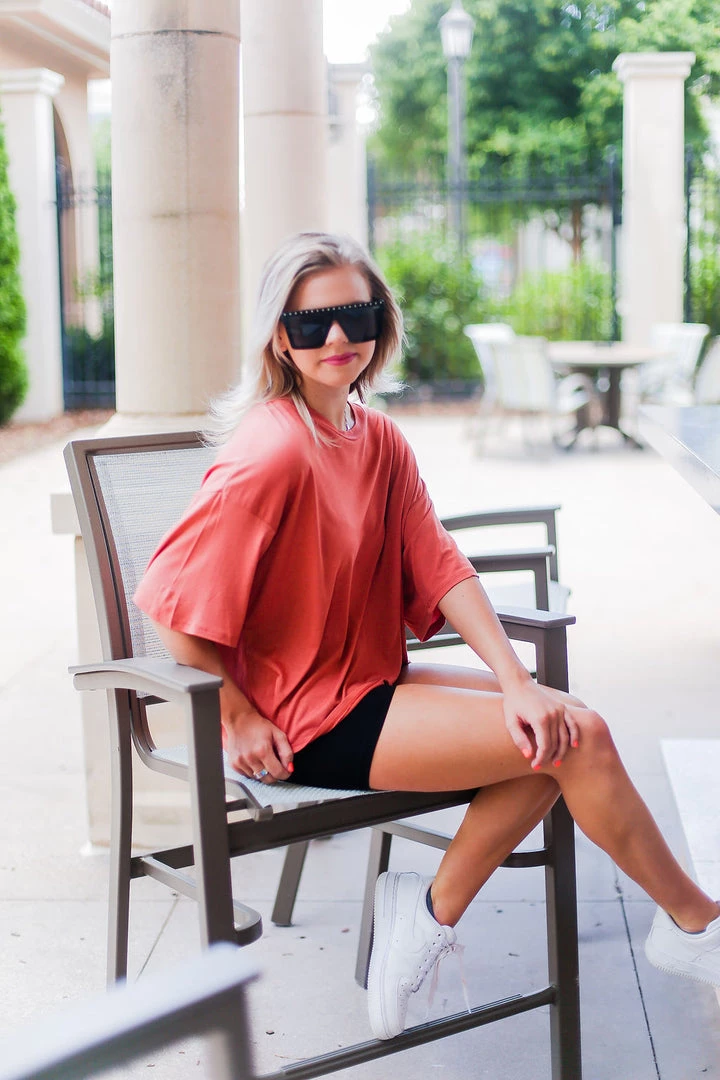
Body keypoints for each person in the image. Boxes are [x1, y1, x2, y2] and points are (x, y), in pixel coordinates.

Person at [133, 231, 720, 1042]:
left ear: (382, 320)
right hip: (307, 721)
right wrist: (236, 713)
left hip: (366, 681)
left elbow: (441, 565)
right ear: (279, 340)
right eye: (311, 323)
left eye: (356, 314)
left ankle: (430, 914)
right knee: (575, 741)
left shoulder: (374, 437)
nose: (338, 337)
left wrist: (516, 680)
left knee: (551, 721)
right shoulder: (271, 451)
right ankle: (697, 927)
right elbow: (169, 603)